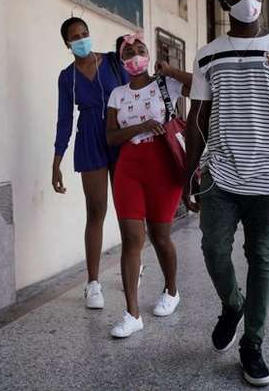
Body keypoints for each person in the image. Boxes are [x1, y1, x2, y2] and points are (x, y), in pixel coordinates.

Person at [182, 0, 269, 387]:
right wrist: (189, 175)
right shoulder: (208, 53)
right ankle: (232, 304)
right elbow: (196, 118)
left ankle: (252, 343)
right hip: (218, 171)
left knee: (262, 257)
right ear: (224, 2)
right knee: (214, 251)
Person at [105, 33, 192, 338]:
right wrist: (139, 127)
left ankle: (171, 290)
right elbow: (111, 137)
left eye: (140, 49)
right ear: (122, 59)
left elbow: (199, 86)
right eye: (129, 51)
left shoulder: (165, 84)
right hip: (129, 166)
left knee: (160, 236)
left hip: (163, 163)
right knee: (131, 238)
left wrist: (168, 70)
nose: (135, 54)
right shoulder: (117, 94)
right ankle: (132, 313)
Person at [53, 17, 128, 309]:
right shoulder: (66, 77)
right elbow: (64, 120)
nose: (82, 39)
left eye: (85, 33)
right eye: (75, 36)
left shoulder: (112, 62)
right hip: (89, 141)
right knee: (96, 209)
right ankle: (93, 283)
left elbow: (131, 94)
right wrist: (56, 159)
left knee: (127, 208)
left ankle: (131, 267)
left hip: (118, 134)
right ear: (67, 44)